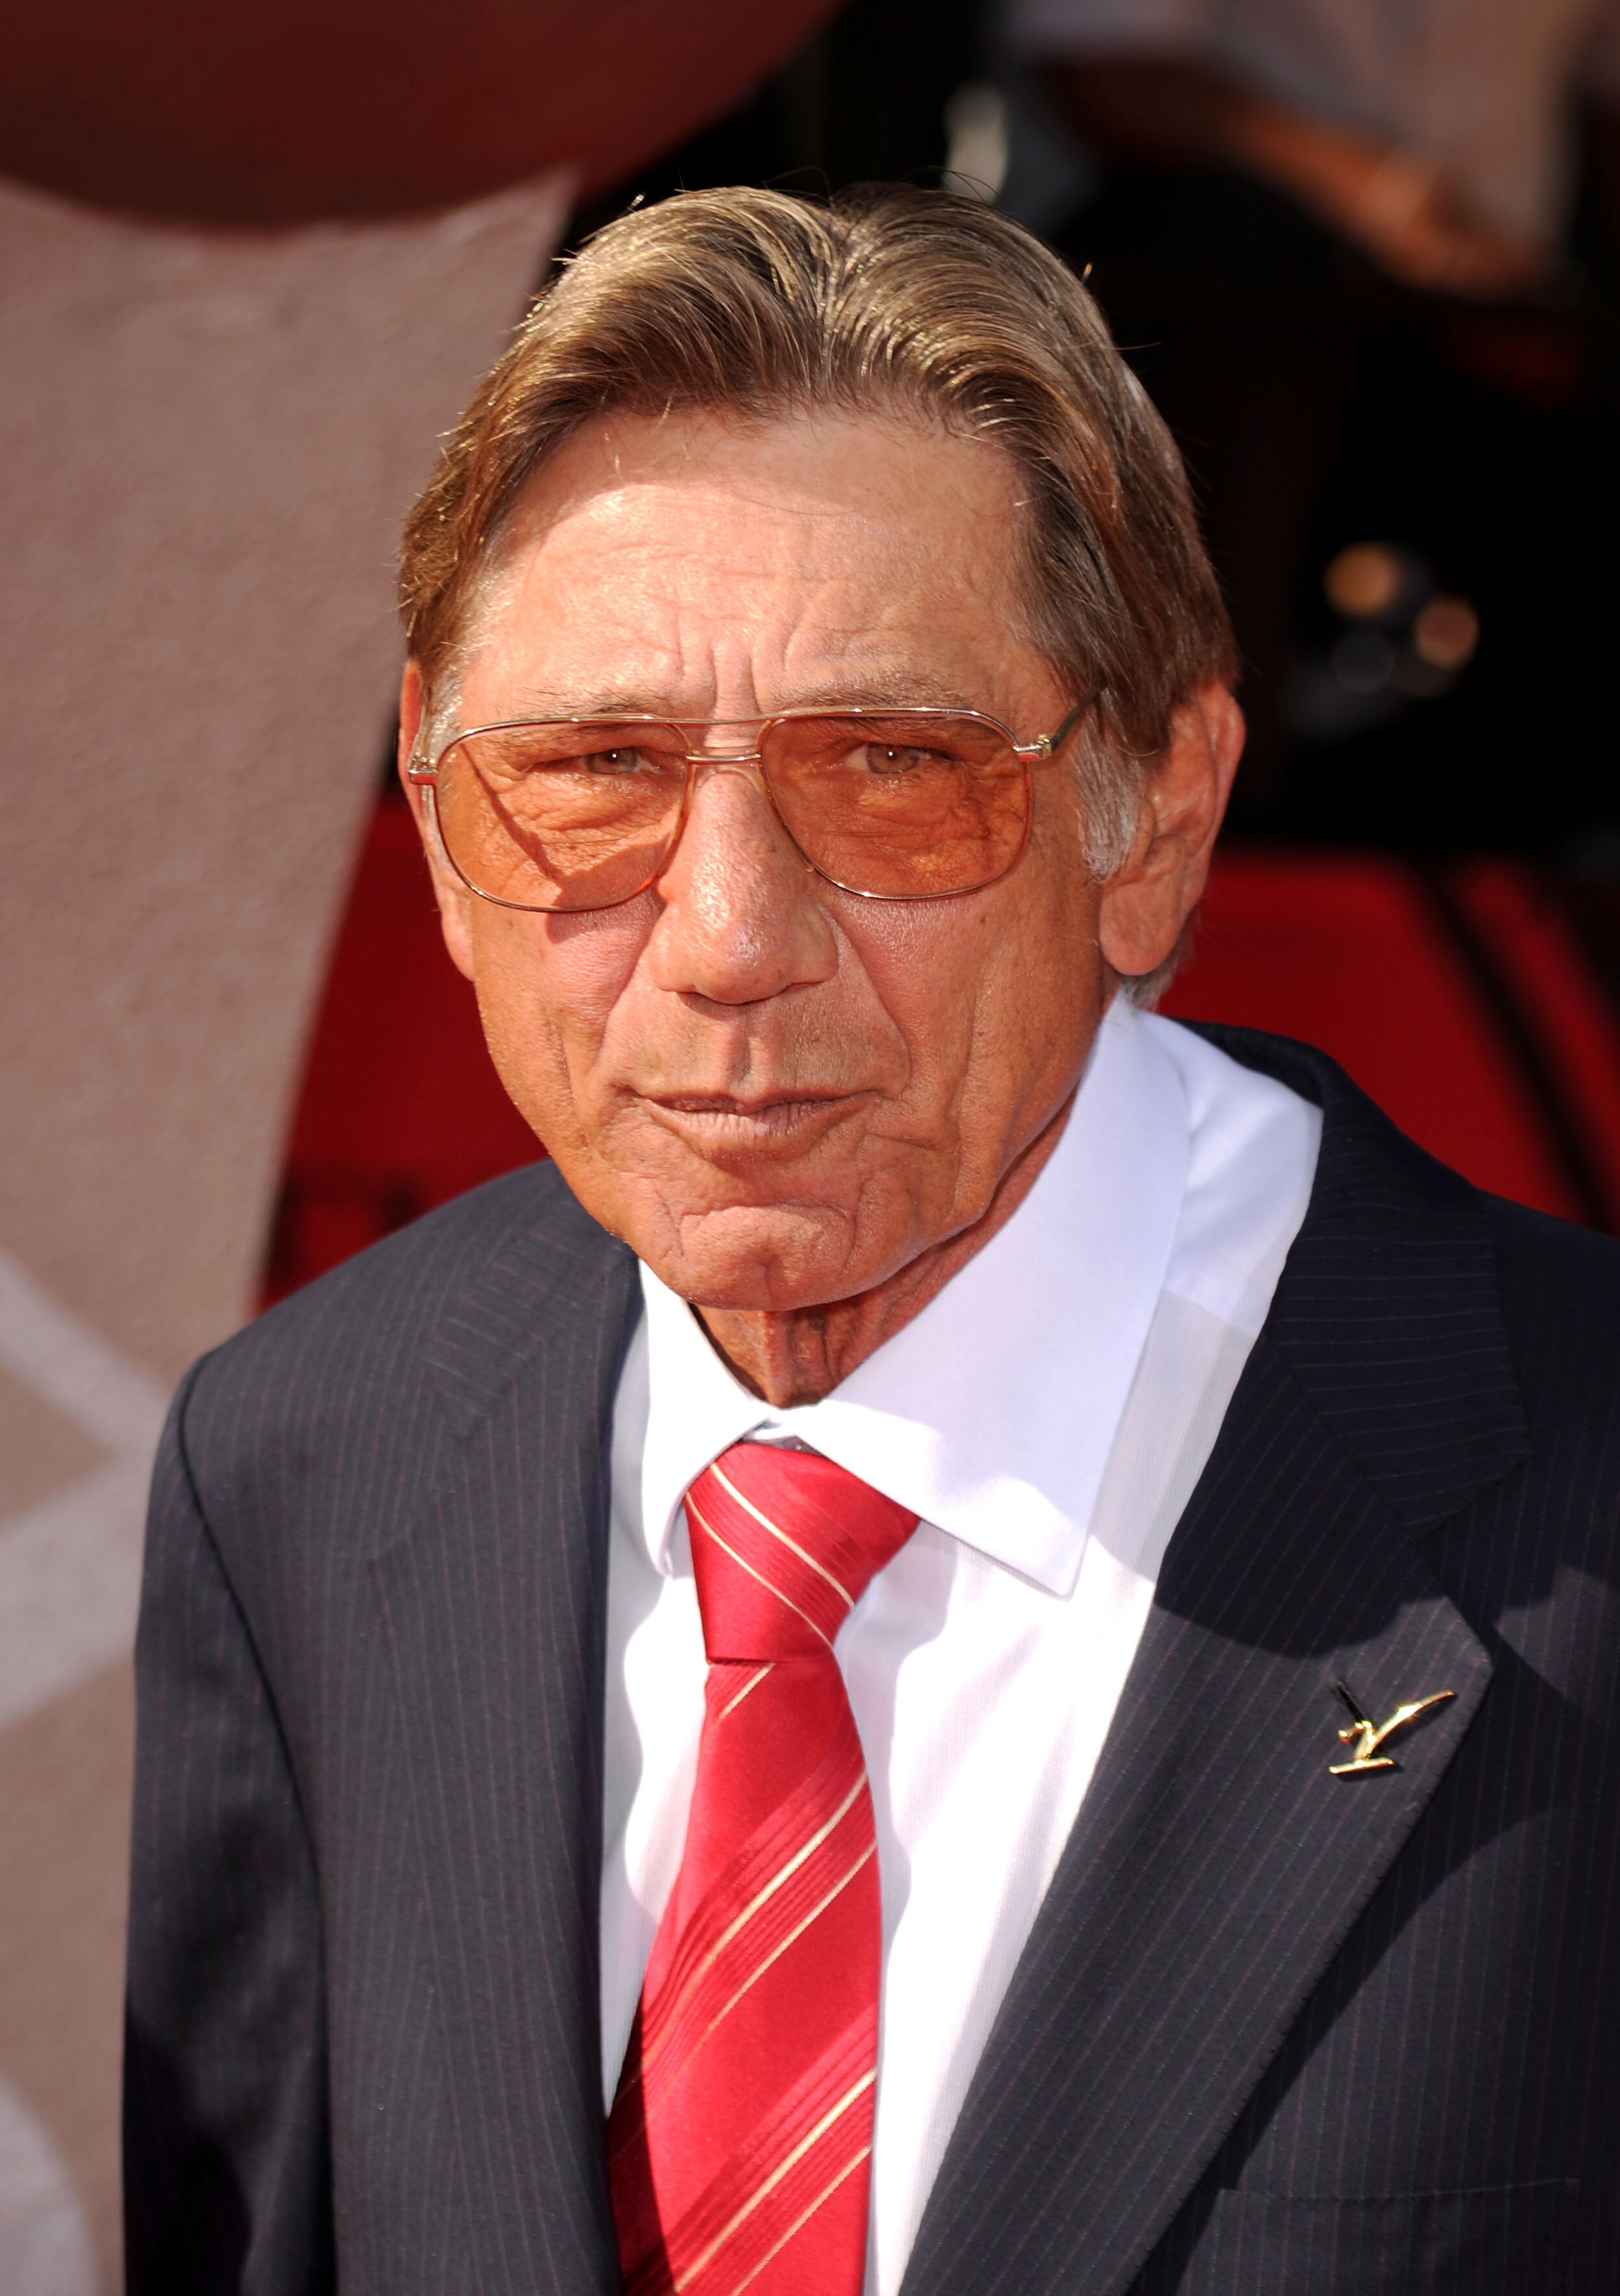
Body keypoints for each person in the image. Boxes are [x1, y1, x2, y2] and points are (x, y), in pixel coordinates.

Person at [123, 185, 1620, 2296]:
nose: (726, 940)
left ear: (1154, 816)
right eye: (595, 770)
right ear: (436, 817)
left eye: (894, 771)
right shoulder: (304, 1464)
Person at [1003, 0, 1620, 835]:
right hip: (1194, 302)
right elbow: (1104, 70)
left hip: (1502, 315)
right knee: (1246, 276)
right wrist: (1389, 204)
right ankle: (1200, 803)